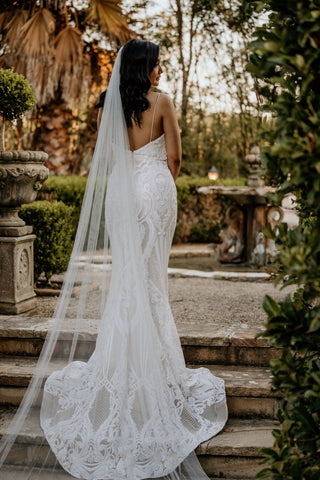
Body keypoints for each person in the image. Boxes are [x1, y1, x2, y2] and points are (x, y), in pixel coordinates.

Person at [0, 39, 227, 480]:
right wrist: (159, 181)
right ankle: (157, 366)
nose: (162, 69)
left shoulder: (109, 105)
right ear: (146, 66)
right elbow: (175, 156)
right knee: (151, 279)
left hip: (121, 195)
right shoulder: (162, 102)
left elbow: (108, 157)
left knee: (128, 279)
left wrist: (136, 179)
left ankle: (121, 360)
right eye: (159, 63)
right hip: (155, 190)